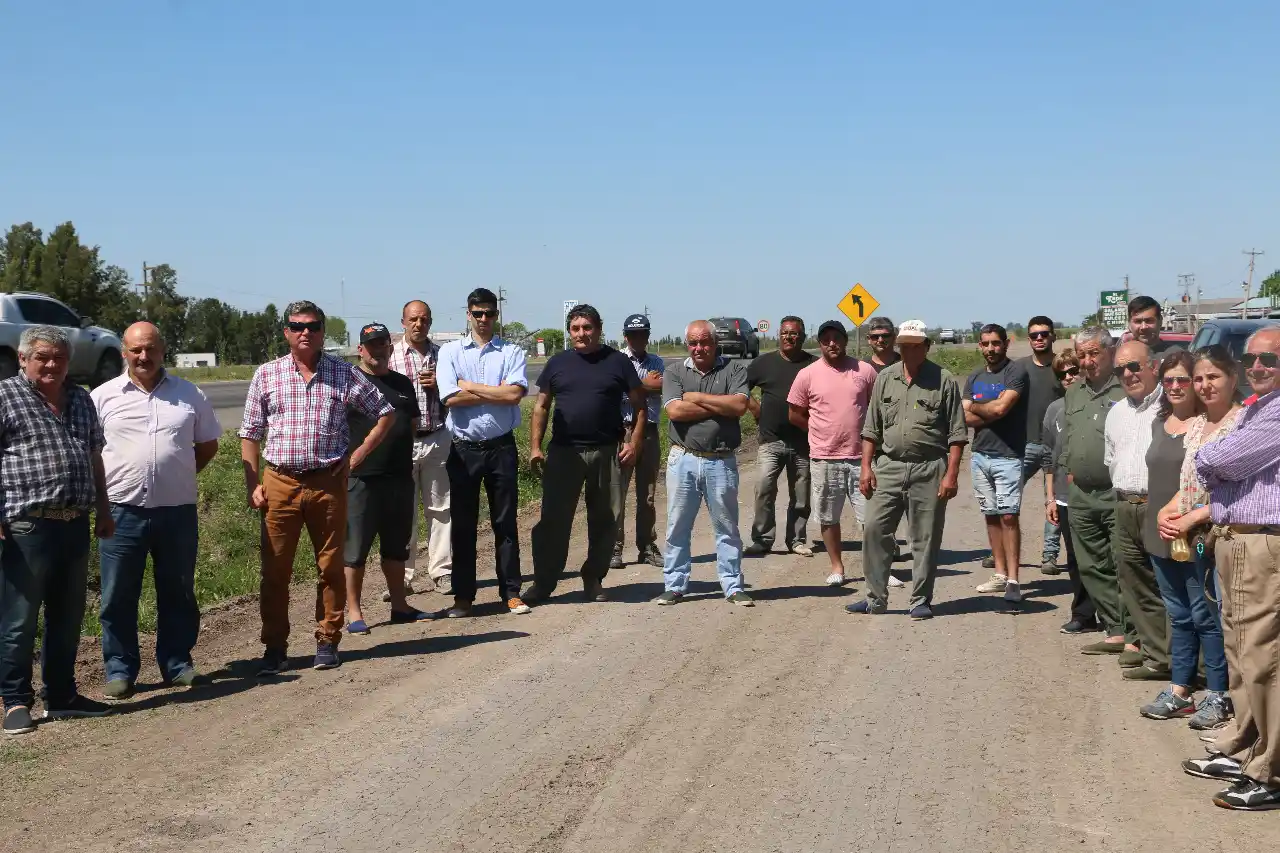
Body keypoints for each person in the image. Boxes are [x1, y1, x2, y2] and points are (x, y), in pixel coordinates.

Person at [240, 301, 395, 674]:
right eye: (297, 326)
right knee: (276, 570)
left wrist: (356, 456)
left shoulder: (343, 374)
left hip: (327, 483)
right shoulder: (267, 375)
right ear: (286, 333)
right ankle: (275, 647)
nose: (305, 332)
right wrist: (253, 483)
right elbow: (249, 434)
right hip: (279, 482)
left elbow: (386, 412)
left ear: (323, 331)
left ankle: (328, 639)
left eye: (312, 326)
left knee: (329, 566)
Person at [91, 321, 222, 700]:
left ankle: (177, 663)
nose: (143, 356)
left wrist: (176, 473)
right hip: (121, 512)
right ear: (124, 354)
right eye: (135, 350)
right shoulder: (103, 396)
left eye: (150, 348)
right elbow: (91, 452)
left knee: (178, 590)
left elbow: (207, 445)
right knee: (117, 594)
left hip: (176, 511)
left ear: (163, 350)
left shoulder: (189, 394)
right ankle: (120, 670)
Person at [1181, 326, 1280, 810]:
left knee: (1264, 659)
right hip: (1234, 538)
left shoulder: (1277, 413)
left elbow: (1222, 458)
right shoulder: (1255, 410)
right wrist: (1212, 459)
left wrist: (1210, 458)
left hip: (1263, 544)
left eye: (1270, 360)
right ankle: (1246, 741)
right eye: (1252, 360)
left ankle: (1272, 770)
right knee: (1241, 653)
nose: (1258, 368)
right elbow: (1216, 458)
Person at [0, 326, 115, 736]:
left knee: (67, 617)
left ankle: (62, 695)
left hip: (75, 523)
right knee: (19, 620)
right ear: (23, 359)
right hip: (26, 526)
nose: (51, 365)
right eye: (43, 357)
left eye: (59, 358)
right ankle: (15, 701)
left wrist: (103, 509)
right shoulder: (5, 396)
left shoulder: (82, 399)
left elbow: (94, 457)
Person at [846, 320, 965, 619]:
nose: (908, 350)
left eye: (915, 345)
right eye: (904, 346)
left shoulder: (944, 379)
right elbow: (871, 429)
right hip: (888, 466)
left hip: (929, 467)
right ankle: (875, 598)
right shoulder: (885, 378)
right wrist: (865, 468)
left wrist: (951, 474)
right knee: (874, 529)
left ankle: (920, 600)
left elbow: (957, 434)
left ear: (926, 346)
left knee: (925, 537)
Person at [525, 305, 644, 603]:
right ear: (569, 331)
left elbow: (640, 406)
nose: (582, 334)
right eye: (576, 328)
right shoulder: (557, 363)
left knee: (606, 519)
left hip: (607, 452)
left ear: (599, 329)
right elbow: (541, 406)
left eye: (587, 328)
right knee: (553, 521)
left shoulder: (617, 362)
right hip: (565, 453)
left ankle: (593, 579)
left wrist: (635, 443)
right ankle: (543, 583)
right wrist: (536, 447)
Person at [1146, 348, 1237, 728]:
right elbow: (1190, 481)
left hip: (1207, 537)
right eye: (1194, 378)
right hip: (1173, 532)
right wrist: (1168, 510)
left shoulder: (1233, 423)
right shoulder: (1189, 425)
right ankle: (1180, 689)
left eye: (1198, 378)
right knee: (1180, 614)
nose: (1193, 385)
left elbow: (1227, 489)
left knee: (1206, 614)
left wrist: (1187, 516)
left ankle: (1218, 693)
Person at [436, 288, 530, 617]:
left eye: (489, 313)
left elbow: (515, 395)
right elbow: (449, 398)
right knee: (463, 524)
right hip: (464, 450)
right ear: (468, 314)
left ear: (496, 314)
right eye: (478, 313)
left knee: (505, 522)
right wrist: (495, 392)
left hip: (500, 448)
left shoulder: (511, 351)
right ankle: (464, 596)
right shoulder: (449, 353)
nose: (484, 319)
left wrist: (470, 386)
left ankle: (511, 592)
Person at [343, 323, 437, 633]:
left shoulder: (402, 383)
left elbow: (411, 424)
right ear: (361, 349)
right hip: (362, 478)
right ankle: (354, 613)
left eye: (383, 343)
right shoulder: (350, 383)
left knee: (397, 546)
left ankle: (400, 605)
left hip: (399, 476)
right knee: (355, 549)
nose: (378, 349)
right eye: (372, 345)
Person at [653, 320, 753, 606]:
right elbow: (674, 411)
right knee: (677, 525)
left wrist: (695, 397)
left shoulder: (733, 369)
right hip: (683, 458)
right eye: (694, 343)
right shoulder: (674, 371)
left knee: (727, 526)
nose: (699, 348)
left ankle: (733, 585)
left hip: (720, 460)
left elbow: (739, 406)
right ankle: (675, 584)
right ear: (688, 344)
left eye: (705, 342)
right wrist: (719, 404)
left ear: (715, 343)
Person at [786, 320, 877, 585]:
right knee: (828, 517)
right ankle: (837, 567)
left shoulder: (865, 371)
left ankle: (878, 568)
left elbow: (877, 410)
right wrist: (819, 430)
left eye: (837, 338)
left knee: (872, 519)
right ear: (819, 343)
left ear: (846, 340)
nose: (832, 344)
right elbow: (795, 414)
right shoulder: (808, 374)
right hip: (825, 458)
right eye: (826, 340)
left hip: (861, 458)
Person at [1104, 340, 1170, 681]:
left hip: (1160, 507)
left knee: (1170, 588)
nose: (1128, 374)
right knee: (1136, 587)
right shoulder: (1116, 412)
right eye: (1120, 369)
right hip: (1125, 504)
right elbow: (1111, 459)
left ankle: (1188, 664)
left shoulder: (1171, 405)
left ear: (1153, 366)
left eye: (1134, 366)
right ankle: (1158, 657)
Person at [1063, 327, 1128, 657]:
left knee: (1125, 563)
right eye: (1082, 355)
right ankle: (1116, 629)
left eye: (1094, 354)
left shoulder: (1126, 387)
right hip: (1082, 495)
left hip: (1117, 493)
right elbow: (1070, 437)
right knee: (1091, 566)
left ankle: (1136, 633)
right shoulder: (1073, 392)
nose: (1087, 361)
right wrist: (1069, 471)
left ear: (1110, 352)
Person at [388, 299, 452, 599]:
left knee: (440, 508)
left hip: (437, 436)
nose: (419, 324)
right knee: (404, 511)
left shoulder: (442, 355)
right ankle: (403, 576)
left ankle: (441, 571)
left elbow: (456, 393)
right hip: (403, 442)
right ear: (403, 322)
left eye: (424, 319)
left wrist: (438, 385)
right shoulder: (391, 356)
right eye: (413, 319)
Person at [964, 324, 1030, 607]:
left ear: (1006, 343)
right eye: (985, 344)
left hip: (1008, 456)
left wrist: (981, 407)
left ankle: (1014, 580)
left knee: (1008, 517)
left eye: (995, 343)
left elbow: (1002, 409)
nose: (991, 349)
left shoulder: (1015, 373)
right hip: (980, 455)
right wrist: (991, 409)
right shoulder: (975, 376)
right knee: (990, 515)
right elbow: (963, 416)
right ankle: (999, 574)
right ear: (980, 346)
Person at [744, 315, 817, 558]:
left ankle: (796, 539)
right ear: (779, 335)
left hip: (803, 441)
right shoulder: (763, 363)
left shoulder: (814, 365)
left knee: (801, 493)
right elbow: (740, 387)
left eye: (794, 333)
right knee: (764, 488)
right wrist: (755, 408)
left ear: (803, 336)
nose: (789, 337)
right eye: (785, 333)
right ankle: (762, 539)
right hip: (770, 440)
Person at [1042, 350, 1097, 634]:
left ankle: (1117, 618)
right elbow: (1049, 458)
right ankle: (1083, 615)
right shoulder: (1054, 410)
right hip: (1065, 495)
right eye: (1062, 373)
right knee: (1075, 559)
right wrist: (1050, 498)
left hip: (1098, 493)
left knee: (1103, 557)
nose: (1068, 377)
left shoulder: (1098, 402)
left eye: (1073, 370)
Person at [613, 313, 665, 569]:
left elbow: (663, 388)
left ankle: (646, 546)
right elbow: (615, 390)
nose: (638, 338)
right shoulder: (617, 360)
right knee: (618, 492)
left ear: (648, 335)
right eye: (633, 334)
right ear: (625, 336)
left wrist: (633, 386)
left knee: (648, 495)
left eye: (642, 333)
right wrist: (645, 384)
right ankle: (615, 547)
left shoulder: (657, 361)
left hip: (650, 432)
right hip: (623, 431)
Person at [1018, 316, 1064, 573]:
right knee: (1008, 499)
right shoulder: (1019, 368)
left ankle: (1050, 555)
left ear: (1053, 336)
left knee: (1054, 500)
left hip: (1056, 446)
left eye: (1044, 334)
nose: (1039, 338)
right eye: (1034, 335)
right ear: (1029, 338)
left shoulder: (1063, 366)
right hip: (1024, 444)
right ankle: (1000, 552)